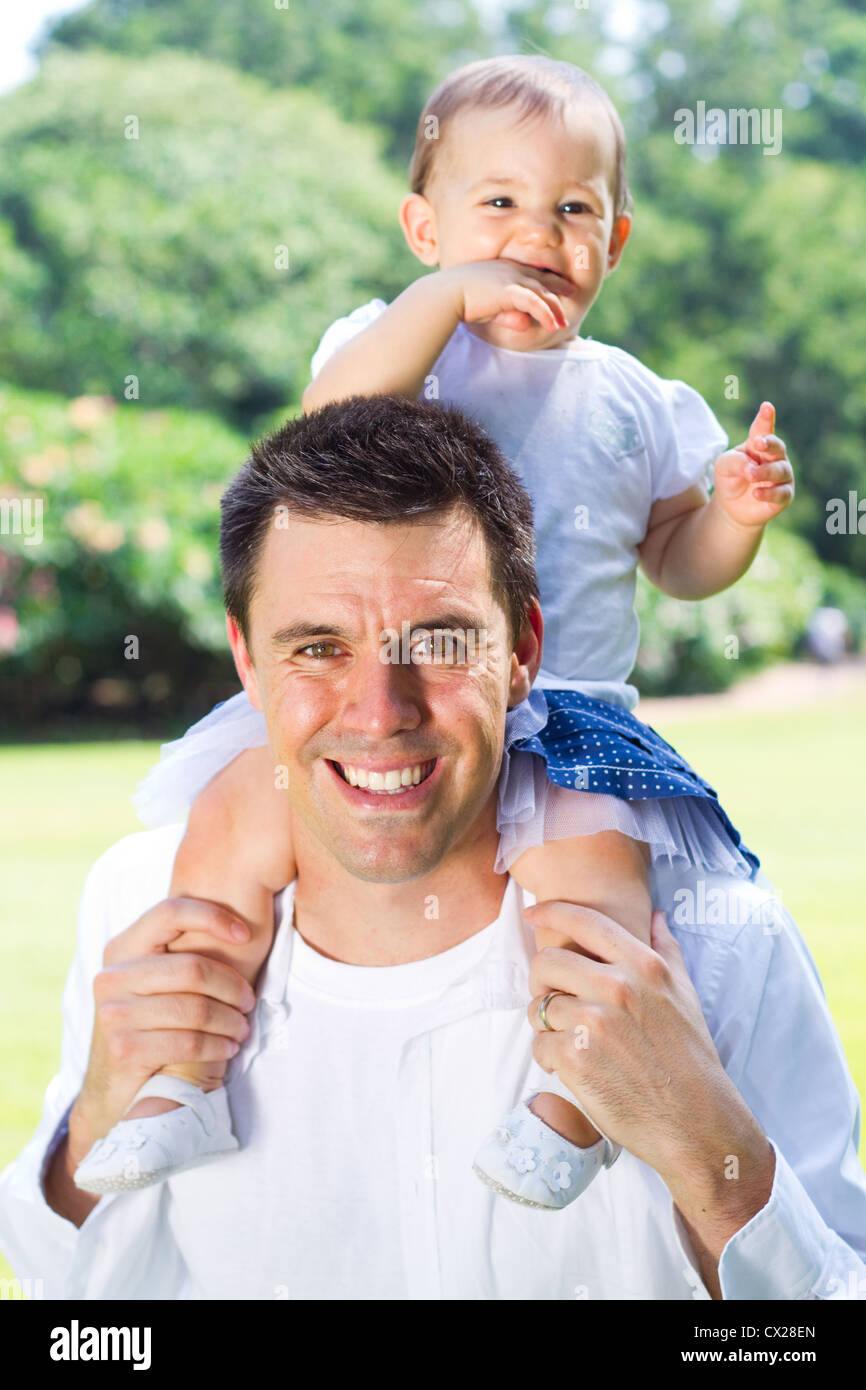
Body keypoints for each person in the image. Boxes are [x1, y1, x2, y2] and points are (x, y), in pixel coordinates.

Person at [67, 54, 798, 1204]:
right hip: (404, 672)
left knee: (591, 892)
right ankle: (177, 1082)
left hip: (570, 718)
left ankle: (570, 1108)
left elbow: (677, 560)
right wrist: (448, 301)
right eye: (495, 204)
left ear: (614, 241)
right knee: (226, 835)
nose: (534, 233)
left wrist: (734, 515)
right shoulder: (403, 342)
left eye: (572, 209)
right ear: (424, 226)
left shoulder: (639, 402)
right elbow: (332, 421)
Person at [0, 395, 864, 1300]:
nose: (381, 713)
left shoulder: (717, 939)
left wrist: (713, 1156)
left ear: (524, 648)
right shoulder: (139, 908)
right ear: (247, 661)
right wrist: (99, 1114)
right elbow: (81, 1320)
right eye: (318, 648)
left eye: (441, 642)